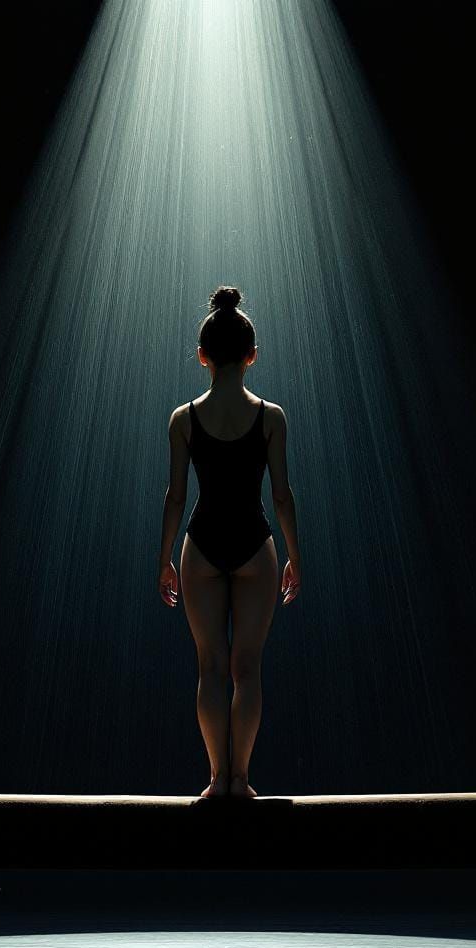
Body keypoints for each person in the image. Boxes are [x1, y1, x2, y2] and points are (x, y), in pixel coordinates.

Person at [158, 285, 301, 799]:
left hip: (200, 545)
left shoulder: (182, 419)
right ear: (251, 355)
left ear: (202, 357)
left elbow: (175, 497)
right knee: (247, 668)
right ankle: (241, 780)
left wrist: (164, 561)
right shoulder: (271, 417)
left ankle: (216, 779)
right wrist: (295, 557)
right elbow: (281, 495)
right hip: (254, 544)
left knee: (210, 667)